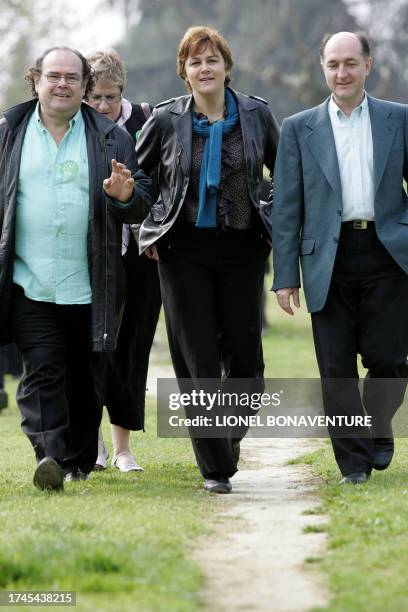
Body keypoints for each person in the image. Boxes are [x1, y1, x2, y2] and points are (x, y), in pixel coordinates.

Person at [0, 46, 152, 491]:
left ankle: (79, 460)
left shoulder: (110, 136)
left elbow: (140, 199)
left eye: (72, 77)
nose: (62, 84)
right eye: (54, 76)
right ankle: (49, 456)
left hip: (91, 282)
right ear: (37, 81)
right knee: (42, 371)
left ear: (85, 87)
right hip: (31, 280)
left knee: (88, 379)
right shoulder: (9, 131)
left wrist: (124, 196)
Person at [136, 26, 280, 493]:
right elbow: (140, 183)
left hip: (242, 247)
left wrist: (269, 217)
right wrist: (146, 223)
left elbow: (286, 177)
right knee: (196, 357)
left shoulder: (257, 115)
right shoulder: (163, 120)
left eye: (212, 60)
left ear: (227, 67)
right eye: (195, 62)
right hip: (182, 251)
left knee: (244, 357)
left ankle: (227, 432)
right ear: (184, 72)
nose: (204, 68)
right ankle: (216, 466)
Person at [272, 31, 408, 484]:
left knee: (390, 359)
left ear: (368, 65)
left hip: (388, 254)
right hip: (325, 259)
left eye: (351, 63)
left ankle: (379, 422)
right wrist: (285, 275)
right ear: (323, 68)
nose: (342, 72)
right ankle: (353, 464)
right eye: (333, 64)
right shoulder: (298, 127)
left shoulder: (398, 119)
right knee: (335, 368)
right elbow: (287, 206)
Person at [86, 49, 161, 473]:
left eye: (110, 97)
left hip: (140, 254)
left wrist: (150, 231)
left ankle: (122, 448)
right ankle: (92, 442)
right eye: (94, 97)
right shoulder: (78, 127)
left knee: (133, 347)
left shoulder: (146, 121)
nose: (101, 105)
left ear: (123, 93)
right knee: (92, 347)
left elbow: (163, 183)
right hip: (93, 254)